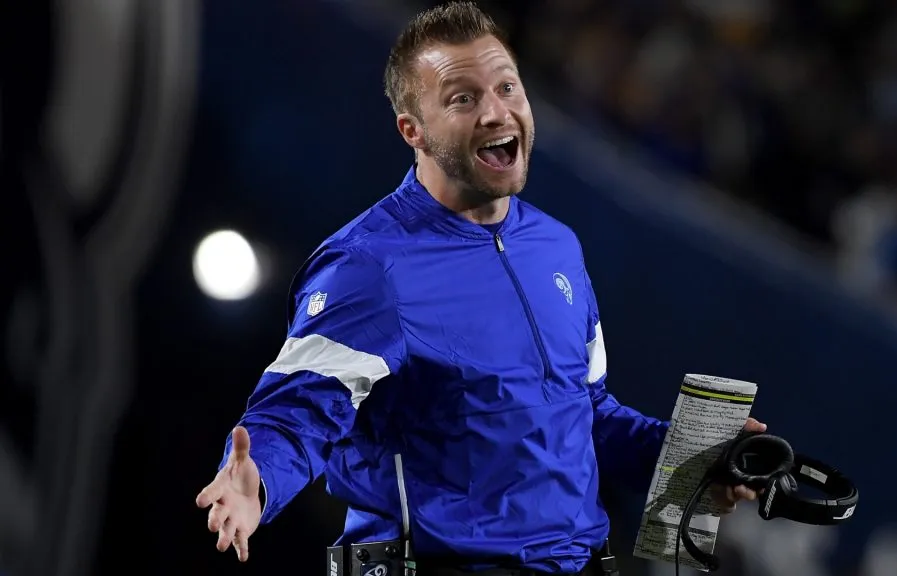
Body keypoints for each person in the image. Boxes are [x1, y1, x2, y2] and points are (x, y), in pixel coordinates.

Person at [195, 2, 767, 574]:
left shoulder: (556, 246)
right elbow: (295, 414)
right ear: (412, 130)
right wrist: (256, 479)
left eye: (507, 88)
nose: (497, 112)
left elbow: (583, 415)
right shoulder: (369, 266)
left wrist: (696, 460)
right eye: (463, 98)